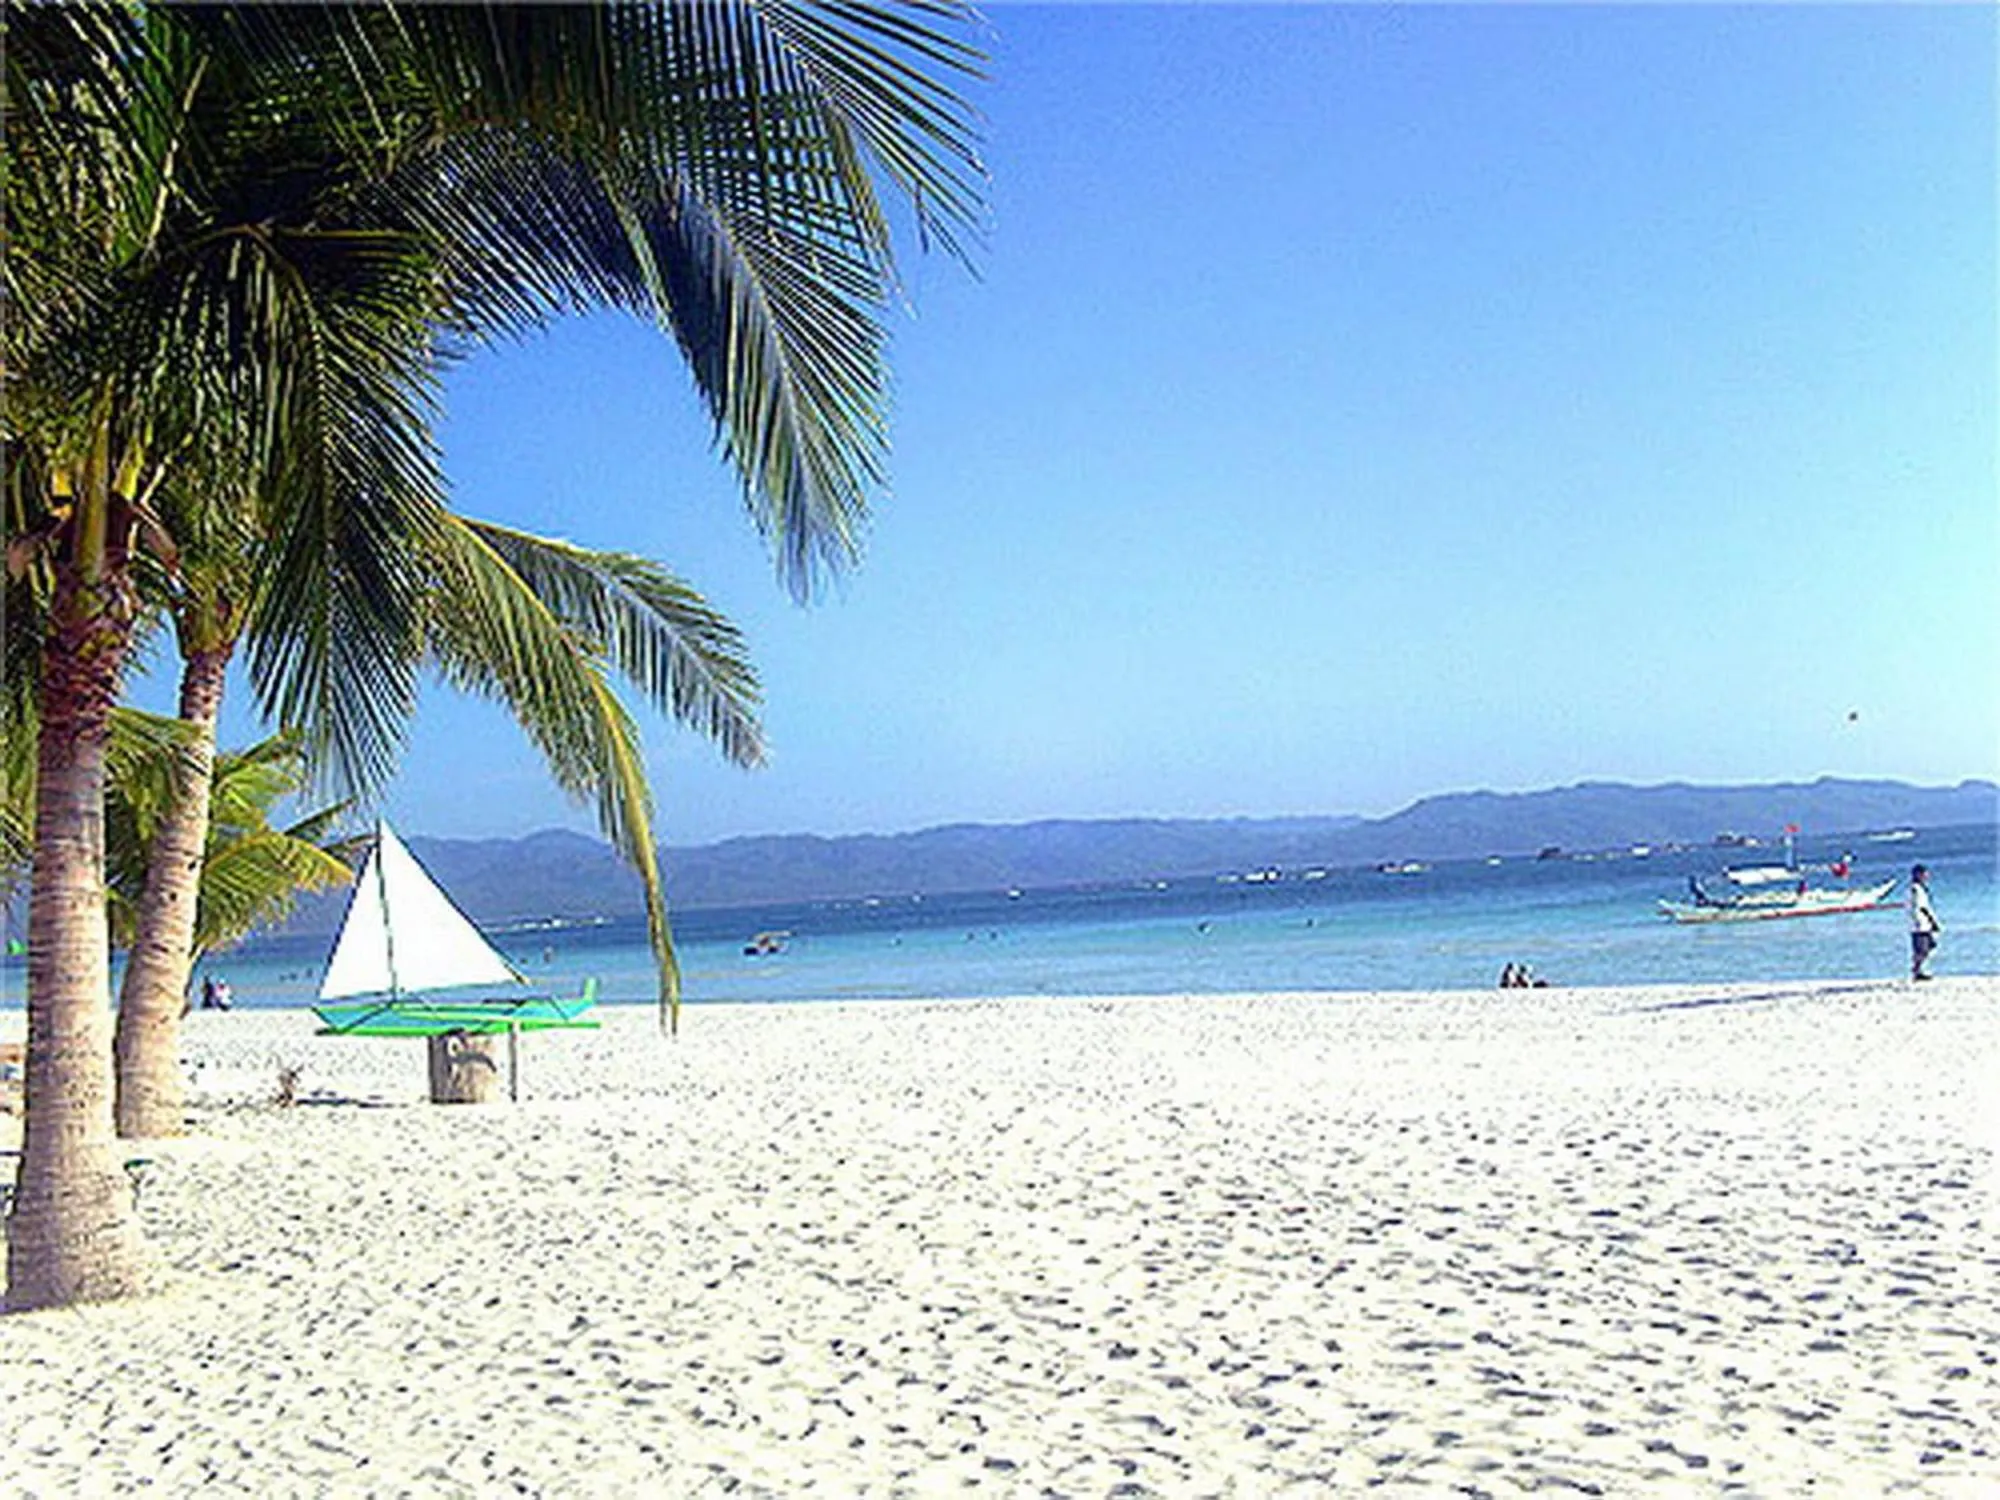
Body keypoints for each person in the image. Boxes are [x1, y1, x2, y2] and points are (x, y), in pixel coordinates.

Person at [1907, 864, 1940, 981]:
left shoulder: (1919, 888)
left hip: (1921, 922)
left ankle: (1918, 969)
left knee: (1929, 945)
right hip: (1919, 923)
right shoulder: (1915, 889)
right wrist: (1932, 921)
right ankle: (1917, 971)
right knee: (1922, 948)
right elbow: (1921, 907)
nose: (1927, 876)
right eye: (1924, 874)